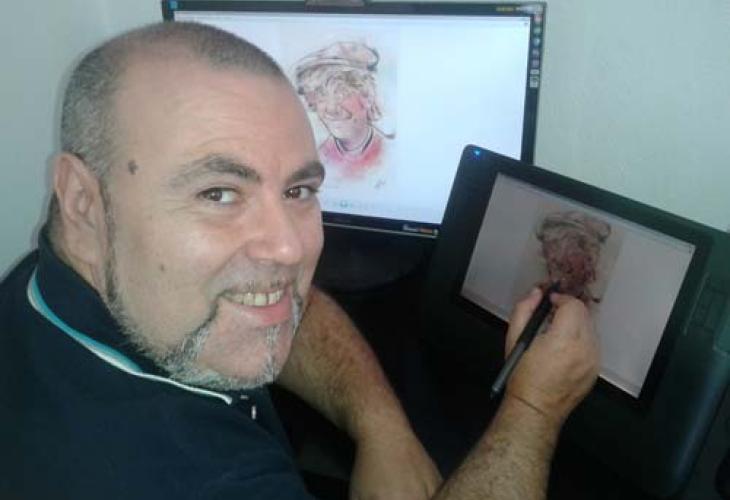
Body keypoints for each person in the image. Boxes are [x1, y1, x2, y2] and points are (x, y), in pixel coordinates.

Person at [0, 22, 598, 499]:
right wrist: (534, 407)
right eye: (218, 194)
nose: (288, 248)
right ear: (82, 201)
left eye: (298, 190)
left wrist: (379, 425)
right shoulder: (200, 480)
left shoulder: (50, 285)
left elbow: (268, 307)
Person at [295, 41, 392, 178]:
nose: (331, 109)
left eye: (342, 92)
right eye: (321, 95)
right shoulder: (318, 159)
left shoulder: (391, 154)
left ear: (367, 95)